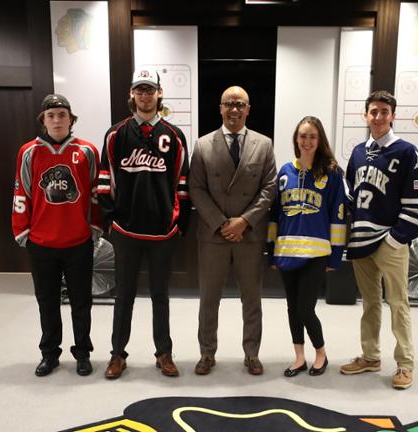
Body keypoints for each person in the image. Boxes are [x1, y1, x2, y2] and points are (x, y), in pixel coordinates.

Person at [98, 68, 190, 379]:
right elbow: (104, 181)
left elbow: (182, 183)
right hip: (126, 230)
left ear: (159, 93)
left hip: (163, 231)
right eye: (140, 89)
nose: (145, 95)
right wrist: (111, 220)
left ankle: (164, 353)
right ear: (132, 93)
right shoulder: (116, 134)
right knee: (123, 295)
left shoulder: (174, 135)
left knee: (160, 295)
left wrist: (179, 223)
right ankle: (117, 354)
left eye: (150, 90)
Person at [340, 90, 418, 389]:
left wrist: (396, 238)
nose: (378, 117)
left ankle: (405, 364)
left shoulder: (407, 152)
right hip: (362, 241)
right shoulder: (358, 153)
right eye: (373, 111)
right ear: (365, 116)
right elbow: (351, 196)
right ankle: (371, 356)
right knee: (369, 303)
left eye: (384, 112)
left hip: (390, 242)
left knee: (398, 303)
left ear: (393, 116)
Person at [189, 86, 277, 376]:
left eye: (240, 104)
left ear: (248, 109)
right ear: (220, 108)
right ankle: (206, 354)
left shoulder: (264, 145)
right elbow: (196, 188)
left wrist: (244, 221)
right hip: (213, 234)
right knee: (209, 299)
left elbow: (269, 188)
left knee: (251, 299)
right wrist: (222, 222)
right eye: (229, 104)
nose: (234, 109)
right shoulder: (203, 145)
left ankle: (252, 353)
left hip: (248, 235)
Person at [11, 94, 101, 377]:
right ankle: (49, 354)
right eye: (51, 115)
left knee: (81, 302)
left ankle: (83, 352)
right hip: (42, 243)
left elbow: (96, 192)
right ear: (43, 120)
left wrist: (95, 228)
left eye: (62, 115)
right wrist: (23, 231)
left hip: (78, 242)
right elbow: (21, 191)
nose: (57, 120)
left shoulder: (87, 151)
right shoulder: (29, 151)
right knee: (47, 302)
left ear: (71, 119)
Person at [267, 116, 346, 377]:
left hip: (316, 253)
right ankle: (299, 357)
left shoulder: (332, 173)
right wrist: (271, 251)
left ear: (320, 140)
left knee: (305, 308)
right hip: (286, 252)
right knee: (292, 307)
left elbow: (338, 217)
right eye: (303, 136)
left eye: (313, 136)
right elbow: (275, 214)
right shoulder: (285, 172)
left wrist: (335, 257)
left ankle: (321, 353)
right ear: (296, 139)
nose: (307, 141)